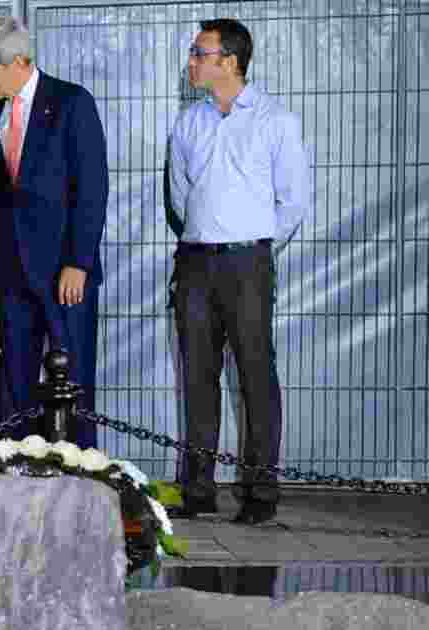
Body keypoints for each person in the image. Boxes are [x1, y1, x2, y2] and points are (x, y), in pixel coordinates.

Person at [167, 19, 311, 525]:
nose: (191, 61)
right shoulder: (189, 122)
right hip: (195, 261)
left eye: (199, 53)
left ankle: (260, 494)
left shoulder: (276, 120)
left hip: (248, 262)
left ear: (230, 61)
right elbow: (180, 197)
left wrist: (256, 246)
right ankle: (198, 491)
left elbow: (293, 201)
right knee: (197, 376)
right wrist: (205, 237)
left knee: (255, 376)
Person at [0, 18, 109, 449]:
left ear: (18, 62)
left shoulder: (71, 102)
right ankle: (13, 470)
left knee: (73, 376)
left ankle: (78, 471)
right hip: (12, 273)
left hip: (63, 272)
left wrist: (78, 261)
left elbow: (91, 187)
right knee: (13, 380)